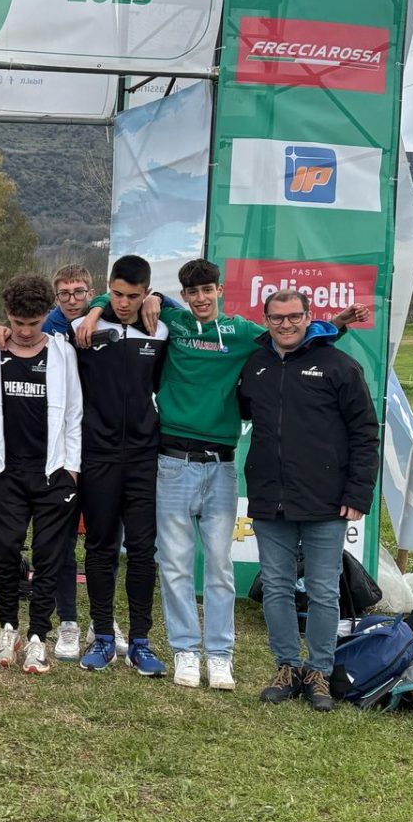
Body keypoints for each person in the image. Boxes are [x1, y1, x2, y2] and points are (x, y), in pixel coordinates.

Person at [77, 259, 364, 691]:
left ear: (220, 290)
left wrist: (336, 325)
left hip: (221, 464)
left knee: (218, 565)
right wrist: (98, 308)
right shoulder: (170, 320)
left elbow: (293, 336)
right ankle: (185, 651)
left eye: (207, 290)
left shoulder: (243, 332)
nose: (200, 298)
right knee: (174, 564)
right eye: (192, 292)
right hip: (172, 462)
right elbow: (124, 295)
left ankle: (220, 654)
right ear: (183, 295)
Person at [239, 288, 379, 713]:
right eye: (277, 317)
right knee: (277, 588)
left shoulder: (340, 366)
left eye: (293, 316)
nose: (285, 324)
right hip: (270, 497)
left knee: (322, 590)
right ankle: (286, 667)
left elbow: (365, 433)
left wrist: (358, 492)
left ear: (308, 317)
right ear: (266, 319)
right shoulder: (256, 364)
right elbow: (242, 411)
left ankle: (319, 671)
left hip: (326, 500)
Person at [0, 275, 83, 675]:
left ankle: (38, 636)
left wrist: (71, 468)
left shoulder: (62, 352)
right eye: (17, 322)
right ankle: (8, 628)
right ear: (7, 315)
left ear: (45, 316)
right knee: (4, 553)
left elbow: (74, 413)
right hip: (6, 470)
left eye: (33, 323)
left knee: (49, 556)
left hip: (52, 472)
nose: (23, 331)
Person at [70, 256, 168, 677]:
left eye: (133, 295)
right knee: (100, 547)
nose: (124, 303)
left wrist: (160, 299)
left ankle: (141, 641)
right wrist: (95, 307)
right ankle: (104, 637)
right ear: (107, 288)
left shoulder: (160, 329)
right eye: (116, 294)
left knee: (143, 551)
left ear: (146, 293)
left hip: (144, 456)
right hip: (98, 454)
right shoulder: (83, 328)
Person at [41, 264, 92, 655]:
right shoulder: (47, 328)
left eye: (79, 292)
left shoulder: (109, 315)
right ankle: (69, 622)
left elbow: (165, 306)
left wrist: (157, 297)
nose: (72, 300)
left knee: (103, 541)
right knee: (61, 541)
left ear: (91, 292)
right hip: (60, 449)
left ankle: (105, 623)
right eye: (64, 293)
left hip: (103, 446)